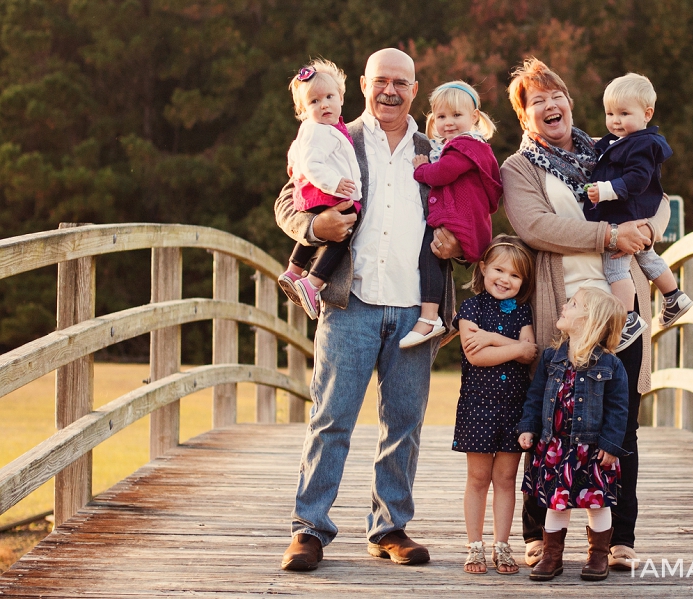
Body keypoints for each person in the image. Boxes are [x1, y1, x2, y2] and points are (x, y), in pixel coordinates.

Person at [275, 48, 463, 572]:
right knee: (332, 417)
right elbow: (289, 201)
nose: (390, 91)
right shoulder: (336, 134)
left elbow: (466, 213)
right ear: (363, 84)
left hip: (415, 310)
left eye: (401, 83)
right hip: (350, 302)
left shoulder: (436, 150)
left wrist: (458, 245)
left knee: (404, 421)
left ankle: (389, 527)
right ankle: (310, 528)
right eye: (381, 81)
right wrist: (314, 230)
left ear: (415, 88)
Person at [500, 57, 672, 571]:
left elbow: (654, 194)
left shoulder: (610, 148)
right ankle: (540, 534)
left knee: (622, 425)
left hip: (619, 307)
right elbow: (535, 226)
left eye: (557, 96)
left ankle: (620, 538)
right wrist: (609, 234)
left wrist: (649, 228)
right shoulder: (519, 168)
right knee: (552, 419)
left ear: (571, 103)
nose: (550, 105)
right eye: (536, 101)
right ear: (524, 117)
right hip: (564, 309)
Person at [517, 286, 629, 582]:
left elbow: (619, 410)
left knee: (598, 502)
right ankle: (552, 556)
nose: (564, 306)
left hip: (592, 450)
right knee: (556, 503)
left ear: (589, 320)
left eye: (573, 304)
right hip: (555, 448)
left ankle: (597, 555)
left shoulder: (610, 365)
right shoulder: (551, 358)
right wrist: (528, 427)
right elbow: (536, 395)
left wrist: (611, 444)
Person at [584, 72, 692, 349]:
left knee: (615, 267)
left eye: (623, 113)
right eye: (609, 113)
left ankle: (628, 318)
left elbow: (638, 178)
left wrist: (607, 189)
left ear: (647, 114)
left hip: (625, 214)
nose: (615, 121)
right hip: (632, 212)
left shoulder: (642, 145)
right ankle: (674, 296)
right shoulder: (623, 140)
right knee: (646, 255)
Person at [452, 236, 538, 574]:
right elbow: (477, 356)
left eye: (515, 275)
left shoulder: (524, 310)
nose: (505, 279)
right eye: (499, 269)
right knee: (477, 478)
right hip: (478, 407)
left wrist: (492, 338)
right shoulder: (471, 309)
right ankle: (475, 545)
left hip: (514, 408)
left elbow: (532, 352)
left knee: (505, 478)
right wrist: (515, 347)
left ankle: (502, 545)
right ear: (483, 267)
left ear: (524, 282)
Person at [400, 81, 503, 348]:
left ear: (474, 117)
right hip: (464, 218)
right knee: (433, 256)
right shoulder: (456, 146)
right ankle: (449, 317)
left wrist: (421, 170)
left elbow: (442, 173)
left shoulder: (466, 147)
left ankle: (431, 316)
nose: (448, 122)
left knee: (429, 252)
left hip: (462, 219)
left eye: (457, 115)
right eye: (441, 116)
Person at [276, 59, 362, 320]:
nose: (323, 104)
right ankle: (313, 282)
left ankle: (294, 270)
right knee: (344, 232)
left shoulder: (318, 129)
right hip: (325, 193)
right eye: (314, 102)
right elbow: (311, 164)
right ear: (304, 110)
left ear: (341, 98)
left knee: (333, 230)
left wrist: (293, 164)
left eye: (328, 97)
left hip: (318, 192)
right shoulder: (320, 130)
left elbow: (296, 151)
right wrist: (333, 183)